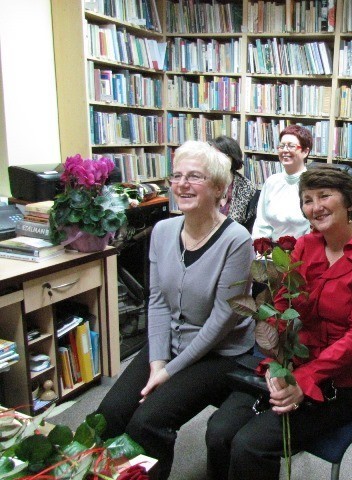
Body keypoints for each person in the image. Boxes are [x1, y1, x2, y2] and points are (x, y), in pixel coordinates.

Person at [206, 166, 352, 480]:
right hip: (291, 362)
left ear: (349, 201)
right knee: (219, 431)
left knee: (251, 445)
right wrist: (274, 363)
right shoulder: (305, 245)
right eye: (307, 199)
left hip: (339, 382)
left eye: (324, 196)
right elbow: (281, 309)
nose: (315, 206)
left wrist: (304, 379)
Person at [96, 141, 255, 480]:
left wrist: (167, 373)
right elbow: (156, 301)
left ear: (218, 187)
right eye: (177, 175)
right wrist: (156, 361)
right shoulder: (164, 231)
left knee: (148, 421)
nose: (182, 184)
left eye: (194, 176)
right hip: (169, 341)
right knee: (110, 413)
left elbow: (221, 322)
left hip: (220, 352)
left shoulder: (237, 240)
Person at [252, 124, 312, 240]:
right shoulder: (271, 182)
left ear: (305, 152)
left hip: (303, 251)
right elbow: (261, 224)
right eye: (282, 146)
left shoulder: (312, 184)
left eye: (291, 146)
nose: (285, 150)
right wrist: (260, 251)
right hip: (271, 253)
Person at [211, 135, 257, 228]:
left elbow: (250, 226)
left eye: (222, 156)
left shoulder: (247, 187)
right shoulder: (202, 182)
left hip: (236, 238)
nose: (217, 160)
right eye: (213, 156)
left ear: (233, 157)